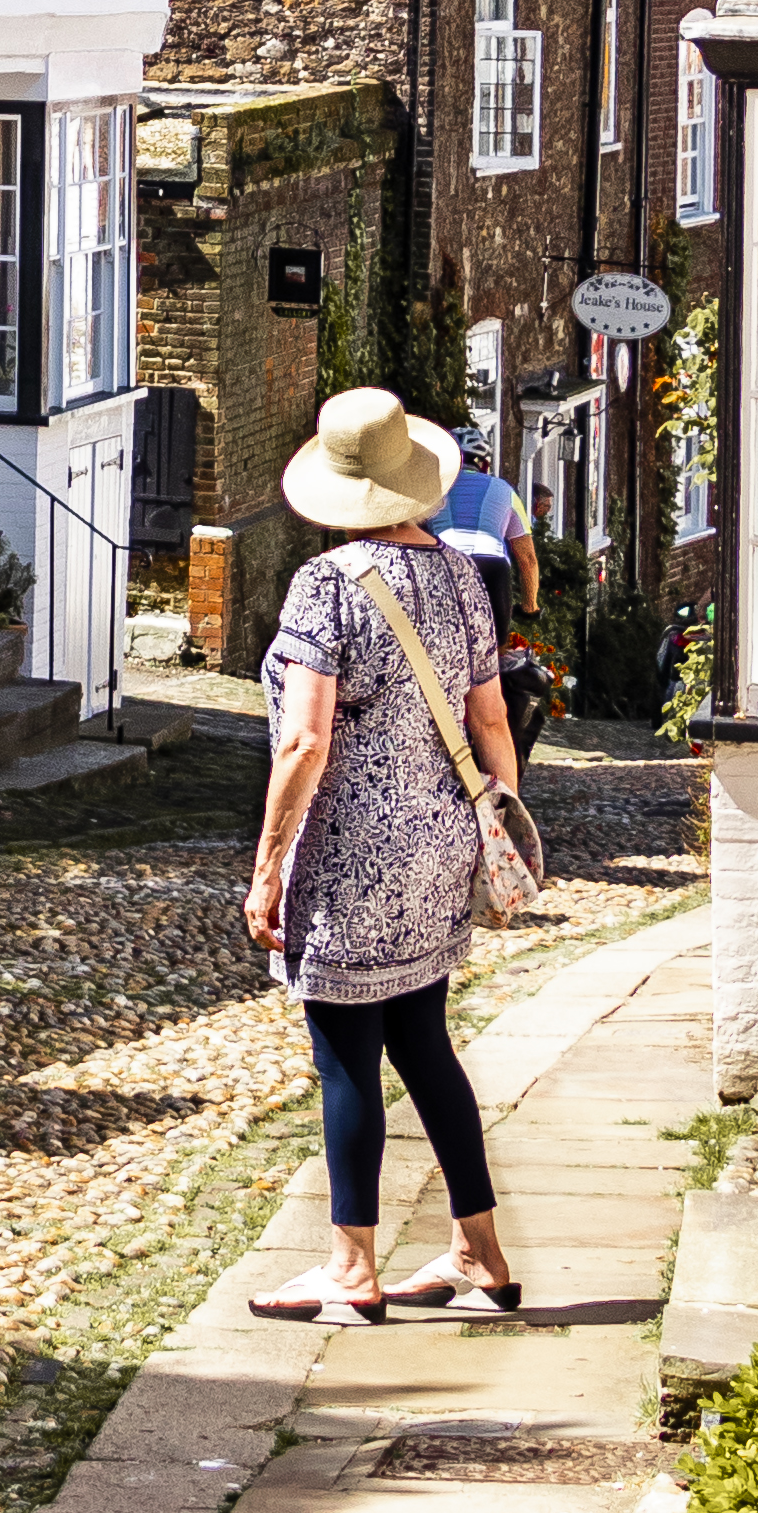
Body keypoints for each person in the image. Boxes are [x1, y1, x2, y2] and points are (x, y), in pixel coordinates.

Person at [240, 385, 528, 1325]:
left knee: (344, 1059)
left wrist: (268, 862)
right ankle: (478, 1252)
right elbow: (489, 717)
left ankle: (350, 1269)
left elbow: (303, 743)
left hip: (351, 854)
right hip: (441, 844)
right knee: (424, 1044)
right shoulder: (457, 574)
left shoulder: (325, 585)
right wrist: (501, 824)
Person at [430, 443, 553, 765]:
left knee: (436, 651)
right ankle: (491, 739)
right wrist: (530, 605)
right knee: (492, 659)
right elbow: (527, 558)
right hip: (492, 568)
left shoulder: (433, 487)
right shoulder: (503, 489)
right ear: (484, 464)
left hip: (446, 564)